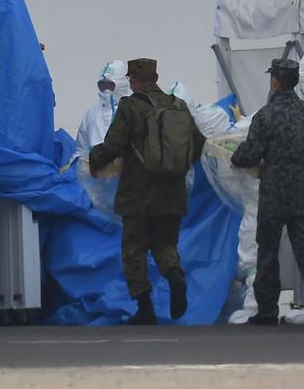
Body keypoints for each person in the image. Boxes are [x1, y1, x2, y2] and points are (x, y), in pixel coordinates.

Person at [89, 58, 205, 324]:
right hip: (173, 192)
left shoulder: (130, 106)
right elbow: (198, 146)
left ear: (133, 81)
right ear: (156, 77)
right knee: (165, 244)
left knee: (134, 249)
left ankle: (145, 307)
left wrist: (94, 158)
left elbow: (114, 144)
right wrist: (173, 166)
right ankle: (175, 275)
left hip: (138, 193)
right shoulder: (178, 105)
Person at [231, 57, 304, 325]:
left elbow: (249, 154)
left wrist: (234, 158)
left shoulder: (265, 116)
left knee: (268, 252)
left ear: (274, 82)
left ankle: (267, 311)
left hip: (274, 194)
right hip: (302, 193)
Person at [75, 60, 131, 158]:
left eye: (110, 85)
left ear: (121, 84)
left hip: (128, 170)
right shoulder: (92, 113)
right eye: (102, 85)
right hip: (96, 169)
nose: (106, 90)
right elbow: (81, 148)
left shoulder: (134, 110)